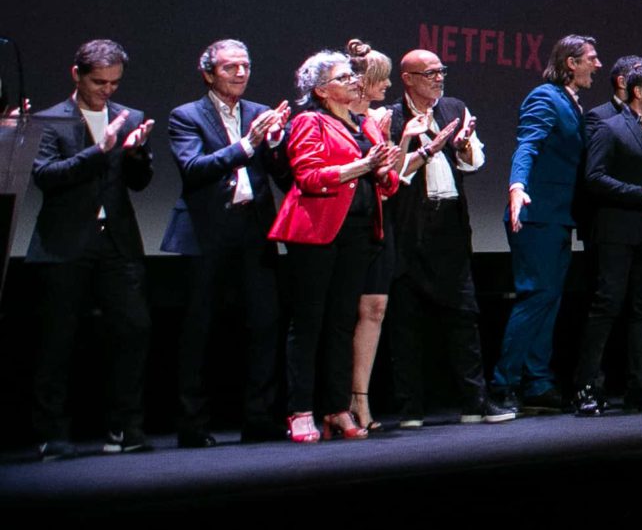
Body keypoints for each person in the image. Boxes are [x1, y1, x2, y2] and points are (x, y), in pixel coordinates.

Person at [28, 38, 157, 460]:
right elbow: (47, 176)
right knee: (57, 340)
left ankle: (126, 428)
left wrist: (136, 155)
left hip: (117, 241)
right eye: (99, 82)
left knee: (133, 330)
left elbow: (138, 183)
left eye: (114, 83)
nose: (107, 90)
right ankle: (52, 434)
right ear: (77, 75)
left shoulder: (128, 116)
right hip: (65, 242)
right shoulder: (50, 120)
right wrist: (99, 152)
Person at [162, 37, 292, 447]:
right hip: (207, 232)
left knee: (266, 324)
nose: (240, 73)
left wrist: (275, 145)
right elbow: (193, 168)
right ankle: (192, 424)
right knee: (200, 328)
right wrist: (248, 144)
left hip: (255, 229)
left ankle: (259, 418)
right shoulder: (186, 116)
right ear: (208, 74)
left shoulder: (259, 113)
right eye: (230, 67)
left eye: (245, 66)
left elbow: (282, 176)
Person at [270, 49, 401, 443]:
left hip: (359, 231)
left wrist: (385, 169)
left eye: (352, 76)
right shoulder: (309, 121)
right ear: (322, 90)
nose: (354, 82)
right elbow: (308, 176)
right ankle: (300, 410)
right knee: (309, 322)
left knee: (342, 323)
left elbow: (387, 184)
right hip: (318, 231)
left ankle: (336, 408)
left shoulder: (365, 124)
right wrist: (361, 166)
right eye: (343, 77)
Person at [381, 48, 509, 427]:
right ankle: (410, 409)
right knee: (406, 320)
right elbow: (393, 174)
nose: (439, 79)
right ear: (408, 79)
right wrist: (426, 148)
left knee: (464, 316)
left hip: (450, 222)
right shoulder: (390, 117)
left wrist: (464, 144)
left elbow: (475, 162)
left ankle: (476, 403)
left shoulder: (454, 108)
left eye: (442, 71)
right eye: (430, 73)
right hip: (410, 224)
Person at [573, 59, 642, 415]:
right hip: (616, 232)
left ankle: (640, 388)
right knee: (606, 307)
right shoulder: (610, 128)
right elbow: (594, 177)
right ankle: (587, 388)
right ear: (638, 92)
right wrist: (637, 195)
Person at [494, 33, 599, 412]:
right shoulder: (545, 97)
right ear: (571, 63)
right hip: (535, 215)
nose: (597, 65)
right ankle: (503, 383)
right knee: (536, 296)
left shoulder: (571, 102)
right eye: (591, 58)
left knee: (549, 299)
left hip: (557, 217)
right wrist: (517, 186)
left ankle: (538, 382)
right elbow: (528, 144)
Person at [345, 40, 397, 431]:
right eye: (382, 78)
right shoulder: (340, 118)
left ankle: (360, 397)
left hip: (378, 218)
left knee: (375, 307)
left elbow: (391, 177)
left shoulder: (376, 120)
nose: (388, 85)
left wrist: (403, 142)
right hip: (346, 222)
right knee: (342, 312)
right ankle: (336, 400)